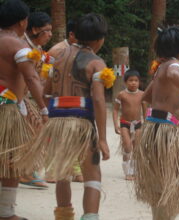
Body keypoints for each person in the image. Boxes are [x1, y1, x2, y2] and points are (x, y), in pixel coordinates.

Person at [15, 13, 113, 220]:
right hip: (81, 123)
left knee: (63, 174)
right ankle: (90, 216)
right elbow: (98, 101)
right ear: (99, 39)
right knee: (92, 173)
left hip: (57, 122)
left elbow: (43, 90)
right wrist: (102, 138)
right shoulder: (96, 63)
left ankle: (64, 217)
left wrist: (47, 111)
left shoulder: (58, 58)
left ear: (75, 34)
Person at [133, 26, 179, 220]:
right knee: (173, 180)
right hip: (166, 130)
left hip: (156, 127)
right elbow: (174, 75)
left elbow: (145, 97)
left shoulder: (161, 67)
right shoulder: (174, 66)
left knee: (161, 182)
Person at [0, 0, 48, 219]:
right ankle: (6, 212)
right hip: (6, 110)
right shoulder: (17, 46)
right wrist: (43, 108)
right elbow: (30, 77)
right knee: (11, 160)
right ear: (22, 21)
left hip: (7, 106)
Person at [46, 18, 84, 183]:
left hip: (76, 101)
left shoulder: (82, 52)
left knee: (75, 136)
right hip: (58, 100)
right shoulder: (57, 50)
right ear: (72, 35)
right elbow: (47, 77)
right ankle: (52, 170)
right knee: (59, 137)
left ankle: (75, 169)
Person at [19, 11, 53, 188]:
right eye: (46, 30)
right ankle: (24, 171)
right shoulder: (22, 46)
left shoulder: (37, 49)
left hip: (26, 98)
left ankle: (27, 169)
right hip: (14, 98)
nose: (50, 35)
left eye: (51, 30)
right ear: (34, 29)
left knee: (36, 131)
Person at [113, 69, 146, 181]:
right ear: (125, 82)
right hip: (124, 124)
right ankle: (127, 172)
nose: (133, 83)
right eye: (130, 80)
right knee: (127, 146)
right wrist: (115, 125)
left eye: (136, 80)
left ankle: (134, 171)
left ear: (139, 82)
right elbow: (115, 110)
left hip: (138, 124)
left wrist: (146, 125)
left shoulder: (142, 95)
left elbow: (145, 112)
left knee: (136, 148)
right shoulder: (121, 94)